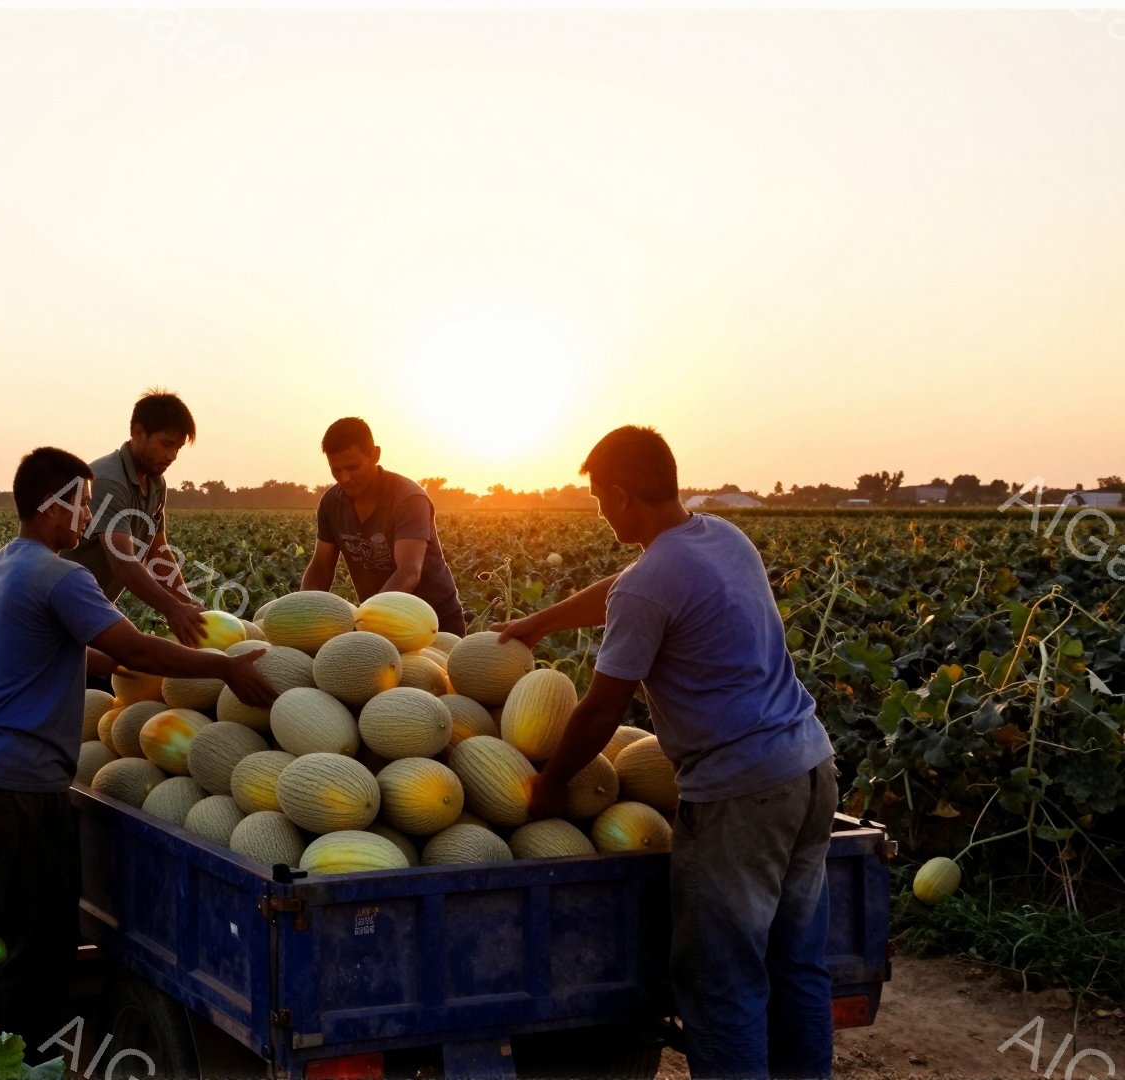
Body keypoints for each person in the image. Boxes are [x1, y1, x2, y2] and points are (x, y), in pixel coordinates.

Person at [492, 425, 837, 1079]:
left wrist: (550, 784)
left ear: (621, 495)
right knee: (794, 964)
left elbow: (600, 708)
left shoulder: (651, 581)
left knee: (720, 979)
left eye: (598, 498)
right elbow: (625, 587)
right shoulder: (717, 539)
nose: (598, 510)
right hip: (809, 768)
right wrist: (540, 623)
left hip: (740, 794)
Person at [0, 447, 279, 1058]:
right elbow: (136, 649)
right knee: (40, 938)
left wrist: (142, 670)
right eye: (79, 503)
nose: (88, 516)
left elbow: (82, 654)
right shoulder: (63, 576)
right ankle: (25, 1064)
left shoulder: (0, 567)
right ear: (51, 509)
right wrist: (222, 668)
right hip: (24, 786)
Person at [59, 390, 210, 645]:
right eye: (166, 443)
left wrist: (188, 604)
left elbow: (158, 552)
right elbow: (123, 561)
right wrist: (173, 609)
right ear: (138, 433)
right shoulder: (107, 479)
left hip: (95, 609)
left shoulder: (156, 483)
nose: (172, 455)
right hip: (65, 608)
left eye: (178, 448)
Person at [301, 417, 467, 635]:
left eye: (353, 467)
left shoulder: (408, 498)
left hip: (432, 624)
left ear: (375, 455)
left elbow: (408, 572)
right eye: (336, 470)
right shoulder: (331, 503)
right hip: (378, 624)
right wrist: (301, 611)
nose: (345, 478)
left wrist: (368, 620)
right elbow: (321, 567)